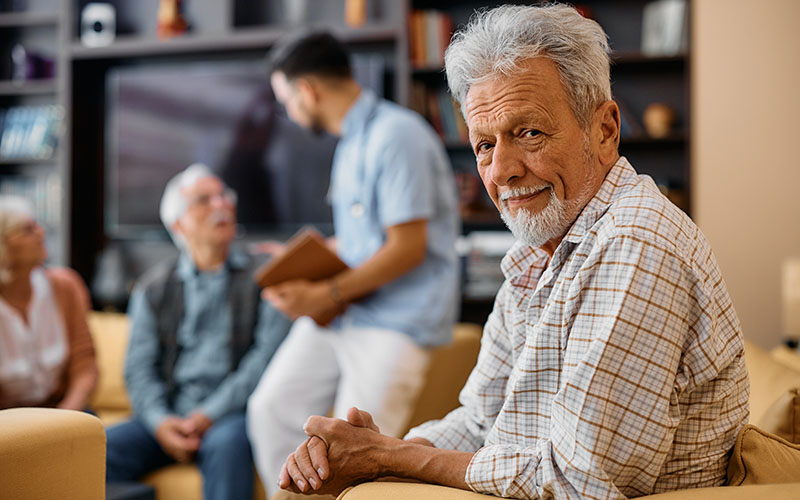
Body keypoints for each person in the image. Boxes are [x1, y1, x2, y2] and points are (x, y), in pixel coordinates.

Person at [277, 5, 749, 499]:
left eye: (529, 133)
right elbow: (484, 421)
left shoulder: (632, 244)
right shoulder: (540, 253)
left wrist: (388, 459)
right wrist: (370, 449)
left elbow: (576, 481)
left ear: (606, 130)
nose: (501, 171)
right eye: (483, 145)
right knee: (307, 489)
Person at [246, 32, 460, 495]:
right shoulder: (349, 145)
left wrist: (324, 294)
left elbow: (407, 247)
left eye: (286, 100)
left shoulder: (397, 135)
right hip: (345, 314)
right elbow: (364, 238)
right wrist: (299, 261)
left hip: (393, 322)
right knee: (269, 409)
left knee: (348, 454)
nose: (288, 112)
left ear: (308, 91)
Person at [105, 164, 293, 500]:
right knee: (94, 452)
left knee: (227, 446)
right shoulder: (153, 289)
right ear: (178, 224)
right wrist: (162, 423)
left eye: (225, 197)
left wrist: (209, 414)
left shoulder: (266, 276)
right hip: (171, 414)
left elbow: (264, 361)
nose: (221, 205)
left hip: (231, 415)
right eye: (204, 200)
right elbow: (138, 370)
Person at [0, 196, 98, 411]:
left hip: (64, 412)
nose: (41, 233)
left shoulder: (66, 286)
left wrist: (61, 420)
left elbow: (85, 366)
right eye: (28, 229)